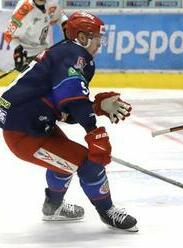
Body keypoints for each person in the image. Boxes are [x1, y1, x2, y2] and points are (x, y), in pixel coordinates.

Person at [0, 10, 138, 232]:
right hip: (23, 134)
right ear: (82, 38)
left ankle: (53, 207)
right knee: (87, 162)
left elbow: (67, 108)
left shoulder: (66, 53)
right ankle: (107, 210)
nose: (100, 43)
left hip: (33, 124)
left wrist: (96, 107)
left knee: (65, 161)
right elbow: (72, 97)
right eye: (97, 38)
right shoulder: (74, 54)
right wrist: (94, 131)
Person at [4, 0, 68, 72]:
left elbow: (59, 16)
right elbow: (8, 34)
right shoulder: (24, 8)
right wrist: (18, 51)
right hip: (27, 55)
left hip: (44, 52)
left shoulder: (52, 2)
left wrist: (66, 26)